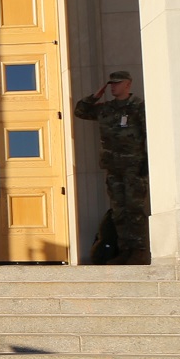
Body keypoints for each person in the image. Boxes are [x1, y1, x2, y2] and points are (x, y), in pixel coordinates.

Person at [74, 70, 149, 264]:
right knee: (119, 210)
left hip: (134, 166)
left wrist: (147, 161)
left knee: (135, 209)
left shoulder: (138, 107)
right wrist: (95, 96)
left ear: (128, 84)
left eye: (117, 83)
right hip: (113, 167)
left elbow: (149, 133)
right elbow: (80, 111)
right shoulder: (106, 108)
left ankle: (139, 250)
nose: (113, 86)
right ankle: (125, 250)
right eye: (111, 84)